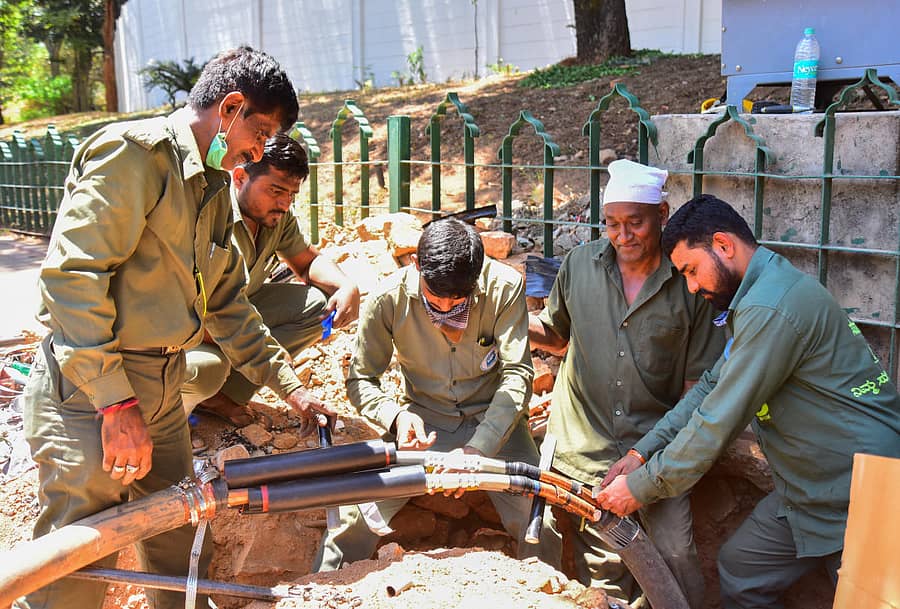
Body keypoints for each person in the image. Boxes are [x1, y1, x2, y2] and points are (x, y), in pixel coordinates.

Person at [22, 47, 335, 609]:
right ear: (231, 107)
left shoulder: (213, 186)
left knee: (180, 531)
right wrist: (115, 405)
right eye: (259, 135)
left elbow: (226, 301)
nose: (258, 152)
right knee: (79, 556)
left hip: (162, 391)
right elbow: (72, 279)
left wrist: (290, 386)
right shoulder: (133, 157)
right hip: (90, 395)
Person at [596, 194, 900, 609]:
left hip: (862, 488)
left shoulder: (770, 307)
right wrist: (641, 452)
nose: (691, 286)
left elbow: (718, 420)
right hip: (807, 491)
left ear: (723, 245)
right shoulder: (754, 298)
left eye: (691, 270)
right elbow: (709, 387)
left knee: (865, 599)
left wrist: (639, 489)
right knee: (742, 570)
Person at [529, 159, 724, 608]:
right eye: (612, 224)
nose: (623, 235)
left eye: (634, 222)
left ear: (662, 215)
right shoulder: (580, 265)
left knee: (675, 551)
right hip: (585, 450)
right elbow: (557, 337)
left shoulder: (688, 282)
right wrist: (509, 322)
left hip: (655, 454)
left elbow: (697, 387)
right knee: (601, 567)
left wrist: (652, 458)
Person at [313, 217, 560, 570]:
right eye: (435, 299)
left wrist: (479, 450)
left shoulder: (504, 287)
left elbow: (518, 374)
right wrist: (396, 417)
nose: (445, 309)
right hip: (424, 428)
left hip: (496, 427)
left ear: (477, 277)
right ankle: (318, 593)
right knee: (354, 519)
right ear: (416, 264)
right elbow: (361, 379)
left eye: (458, 300)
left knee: (541, 521)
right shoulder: (388, 299)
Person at [181, 133, 359, 430]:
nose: (284, 203)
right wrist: (264, 352)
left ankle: (224, 396)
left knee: (317, 307)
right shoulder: (210, 218)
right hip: (194, 330)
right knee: (206, 371)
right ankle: (196, 400)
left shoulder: (275, 215)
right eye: (276, 190)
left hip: (236, 316)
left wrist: (345, 285)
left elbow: (307, 261)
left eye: (291, 195)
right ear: (240, 178)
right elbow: (206, 319)